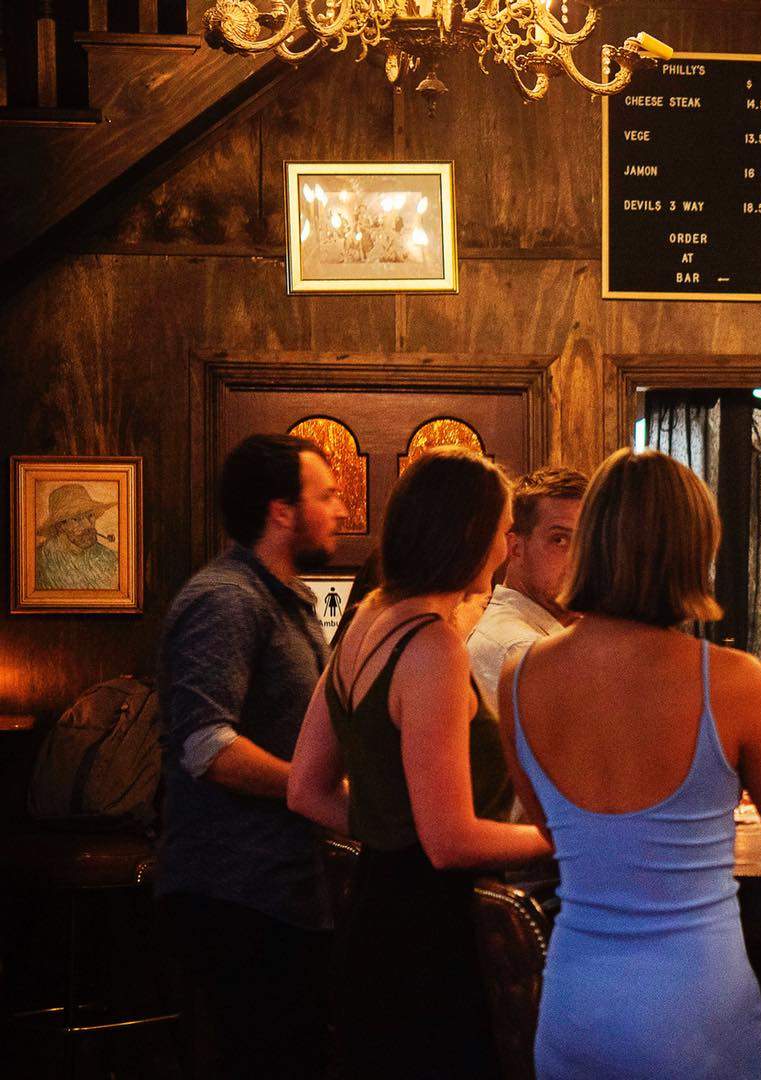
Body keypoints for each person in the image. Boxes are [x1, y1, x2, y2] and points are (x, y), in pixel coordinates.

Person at [499, 449, 761, 1079]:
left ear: (590, 541)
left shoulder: (518, 678)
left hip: (575, 996)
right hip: (696, 1000)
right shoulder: (733, 681)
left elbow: (549, 828)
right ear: (695, 551)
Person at [288, 446, 551, 1079]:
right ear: (467, 535)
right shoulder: (433, 647)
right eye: (502, 527)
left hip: (374, 924)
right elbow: (450, 841)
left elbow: (305, 790)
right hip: (430, 944)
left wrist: (388, 833)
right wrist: (560, 836)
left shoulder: (364, 624)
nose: (507, 542)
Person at [155, 434, 347, 1079]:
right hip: (235, 893)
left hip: (282, 888)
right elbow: (206, 745)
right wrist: (317, 792)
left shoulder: (280, 597)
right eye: (327, 495)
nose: (342, 509)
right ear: (282, 511)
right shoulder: (227, 599)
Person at [467, 466, 588, 712]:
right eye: (560, 540)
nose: (580, 558)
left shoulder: (556, 635)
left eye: (588, 540)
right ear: (515, 547)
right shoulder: (519, 648)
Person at [34, 482, 121, 590]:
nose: (88, 525)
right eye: (76, 518)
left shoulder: (112, 559)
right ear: (60, 526)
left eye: (90, 515)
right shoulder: (39, 561)